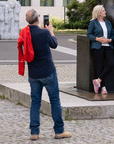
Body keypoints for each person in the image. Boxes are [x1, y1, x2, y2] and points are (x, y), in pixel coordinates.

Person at [18, 9, 71, 141]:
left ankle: (34, 132)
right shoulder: (45, 33)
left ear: (26, 21)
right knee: (55, 101)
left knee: (35, 103)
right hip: (48, 72)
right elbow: (54, 44)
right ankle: (59, 131)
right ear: (38, 19)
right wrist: (50, 31)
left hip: (34, 74)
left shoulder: (24, 33)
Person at [87, 5, 114, 94]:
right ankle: (103, 87)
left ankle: (97, 81)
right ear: (98, 13)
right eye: (103, 11)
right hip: (98, 46)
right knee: (99, 66)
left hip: (108, 46)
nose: (105, 12)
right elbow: (89, 35)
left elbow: (113, 35)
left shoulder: (108, 23)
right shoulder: (93, 23)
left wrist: (109, 40)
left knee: (111, 63)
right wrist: (98, 39)